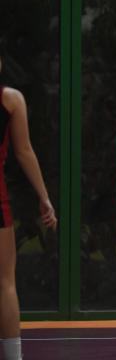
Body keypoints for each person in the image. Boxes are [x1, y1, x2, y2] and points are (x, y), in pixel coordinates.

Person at [0, 55, 57, 360]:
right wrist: (44, 197)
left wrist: (43, 196)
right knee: (5, 282)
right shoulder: (11, 99)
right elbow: (24, 151)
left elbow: (23, 151)